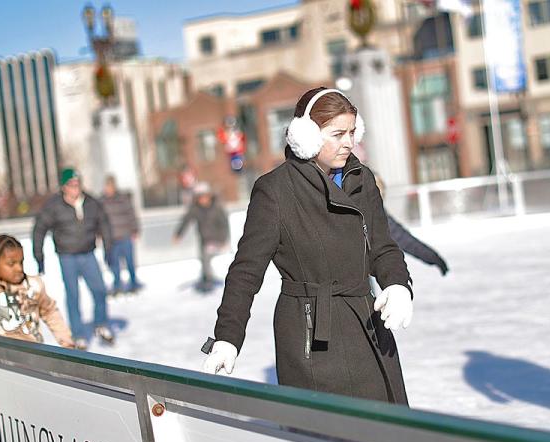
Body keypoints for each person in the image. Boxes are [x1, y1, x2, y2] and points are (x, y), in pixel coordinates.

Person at [201, 87, 414, 405]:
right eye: (338, 133)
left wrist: (397, 284)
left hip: (365, 323)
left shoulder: (362, 179)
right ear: (306, 135)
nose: (349, 142)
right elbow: (246, 271)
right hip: (311, 332)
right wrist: (227, 337)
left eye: (353, 132)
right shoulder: (275, 191)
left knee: (382, 436)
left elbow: (382, 247)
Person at [33, 168, 115, 349]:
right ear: (64, 187)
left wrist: (109, 249)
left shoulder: (91, 202)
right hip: (67, 256)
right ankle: (78, 334)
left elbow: (104, 224)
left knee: (100, 290)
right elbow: (39, 229)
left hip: (88, 253)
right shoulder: (54, 206)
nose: (75, 188)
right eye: (71, 184)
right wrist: (39, 256)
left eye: (78, 184)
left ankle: (101, 325)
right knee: (73, 294)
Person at [375, 176, 448, 276]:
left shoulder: (376, 214)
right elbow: (403, 238)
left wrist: (433, 257)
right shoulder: (371, 213)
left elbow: (403, 239)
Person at [173, 183, 230, 293]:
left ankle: (208, 279)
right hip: (204, 239)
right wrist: (178, 235)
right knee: (203, 258)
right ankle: (206, 277)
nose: (203, 200)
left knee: (206, 258)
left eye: (205, 197)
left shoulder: (217, 207)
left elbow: (224, 224)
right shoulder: (195, 209)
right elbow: (186, 221)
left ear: (209, 196)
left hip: (216, 238)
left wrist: (223, 239)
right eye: (200, 198)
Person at [100, 175, 143, 295]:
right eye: (107, 186)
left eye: (110, 186)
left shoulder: (123, 199)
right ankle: (117, 285)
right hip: (111, 238)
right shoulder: (101, 201)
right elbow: (99, 220)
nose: (108, 188)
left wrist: (135, 230)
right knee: (114, 264)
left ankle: (133, 283)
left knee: (130, 262)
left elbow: (131, 214)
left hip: (125, 235)